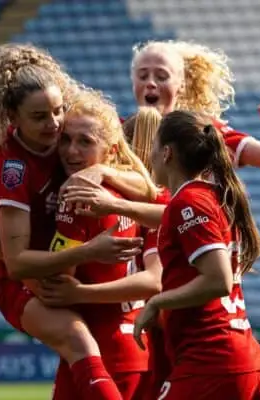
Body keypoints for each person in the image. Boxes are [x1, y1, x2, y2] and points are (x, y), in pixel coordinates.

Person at [0, 43, 155, 400]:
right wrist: (89, 251)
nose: (54, 124)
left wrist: (102, 171)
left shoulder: (67, 136)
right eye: (39, 116)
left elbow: (150, 190)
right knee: (77, 339)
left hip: (67, 271)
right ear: (13, 117)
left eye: (58, 110)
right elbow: (19, 263)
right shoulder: (13, 167)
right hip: (20, 277)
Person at [134, 110, 260, 400]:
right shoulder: (209, 196)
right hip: (234, 356)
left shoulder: (189, 202)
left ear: (167, 153)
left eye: (155, 147)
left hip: (212, 361)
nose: (150, 156)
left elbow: (218, 280)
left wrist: (157, 302)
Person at [41, 89, 158, 400]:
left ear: (111, 150)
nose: (71, 151)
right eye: (65, 139)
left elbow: (58, 279)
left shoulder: (79, 197)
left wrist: (6, 252)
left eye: (85, 142)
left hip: (100, 351)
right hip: (130, 345)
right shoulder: (126, 196)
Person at [130, 39, 260, 173]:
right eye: (143, 76)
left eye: (161, 76)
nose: (150, 83)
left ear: (181, 84)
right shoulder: (116, 133)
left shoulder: (204, 133)